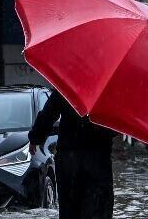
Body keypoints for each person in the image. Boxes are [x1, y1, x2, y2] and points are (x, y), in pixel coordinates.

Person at [29, 89, 117, 219]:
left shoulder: (69, 85)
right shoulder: (107, 91)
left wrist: (35, 138)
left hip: (71, 161)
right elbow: (116, 126)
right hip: (95, 161)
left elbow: (49, 112)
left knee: (70, 210)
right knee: (98, 209)